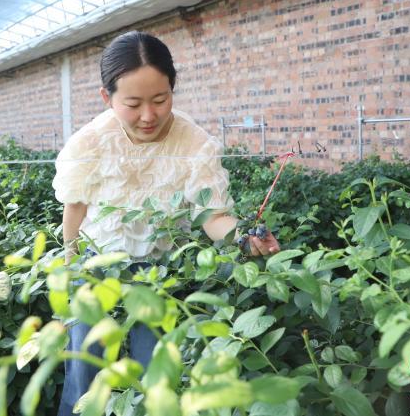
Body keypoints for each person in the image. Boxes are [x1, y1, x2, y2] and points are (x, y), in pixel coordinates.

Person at [51, 31, 280, 416]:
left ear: (173, 89)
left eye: (160, 100)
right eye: (133, 104)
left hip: (160, 272)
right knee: (85, 371)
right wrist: (70, 266)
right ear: (107, 97)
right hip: (96, 266)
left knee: (156, 375)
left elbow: (212, 216)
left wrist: (243, 238)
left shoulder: (194, 143)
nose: (148, 116)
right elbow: (74, 209)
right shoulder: (89, 143)